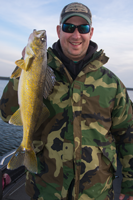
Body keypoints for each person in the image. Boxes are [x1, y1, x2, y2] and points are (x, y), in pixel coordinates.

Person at [0, 2, 133, 200]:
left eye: (83, 28)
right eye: (69, 27)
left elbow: (128, 135)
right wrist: (24, 70)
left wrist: (130, 185)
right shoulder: (37, 69)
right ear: (59, 30)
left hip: (97, 193)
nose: (76, 35)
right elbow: (6, 113)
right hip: (45, 191)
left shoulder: (112, 83)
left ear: (91, 32)